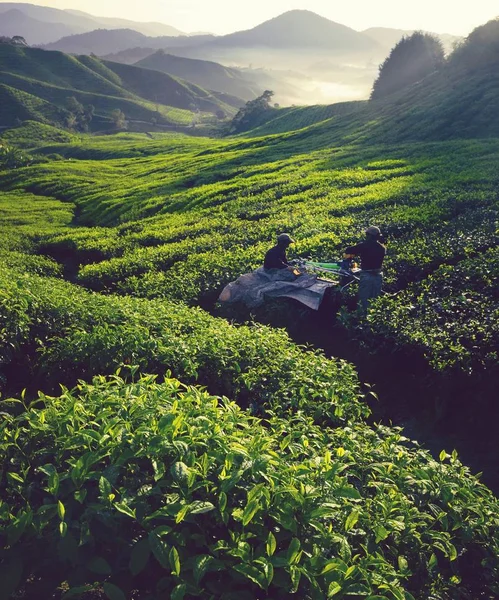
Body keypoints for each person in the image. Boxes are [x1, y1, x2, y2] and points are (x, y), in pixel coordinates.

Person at [344, 226, 386, 314]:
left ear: (369, 236)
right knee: (375, 300)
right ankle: (373, 319)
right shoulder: (382, 248)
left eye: (367, 234)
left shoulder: (364, 245)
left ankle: (362, 320)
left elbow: (348, 250)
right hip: (378, 276)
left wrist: (352, 255)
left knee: (364, 301)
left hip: (367, 276)